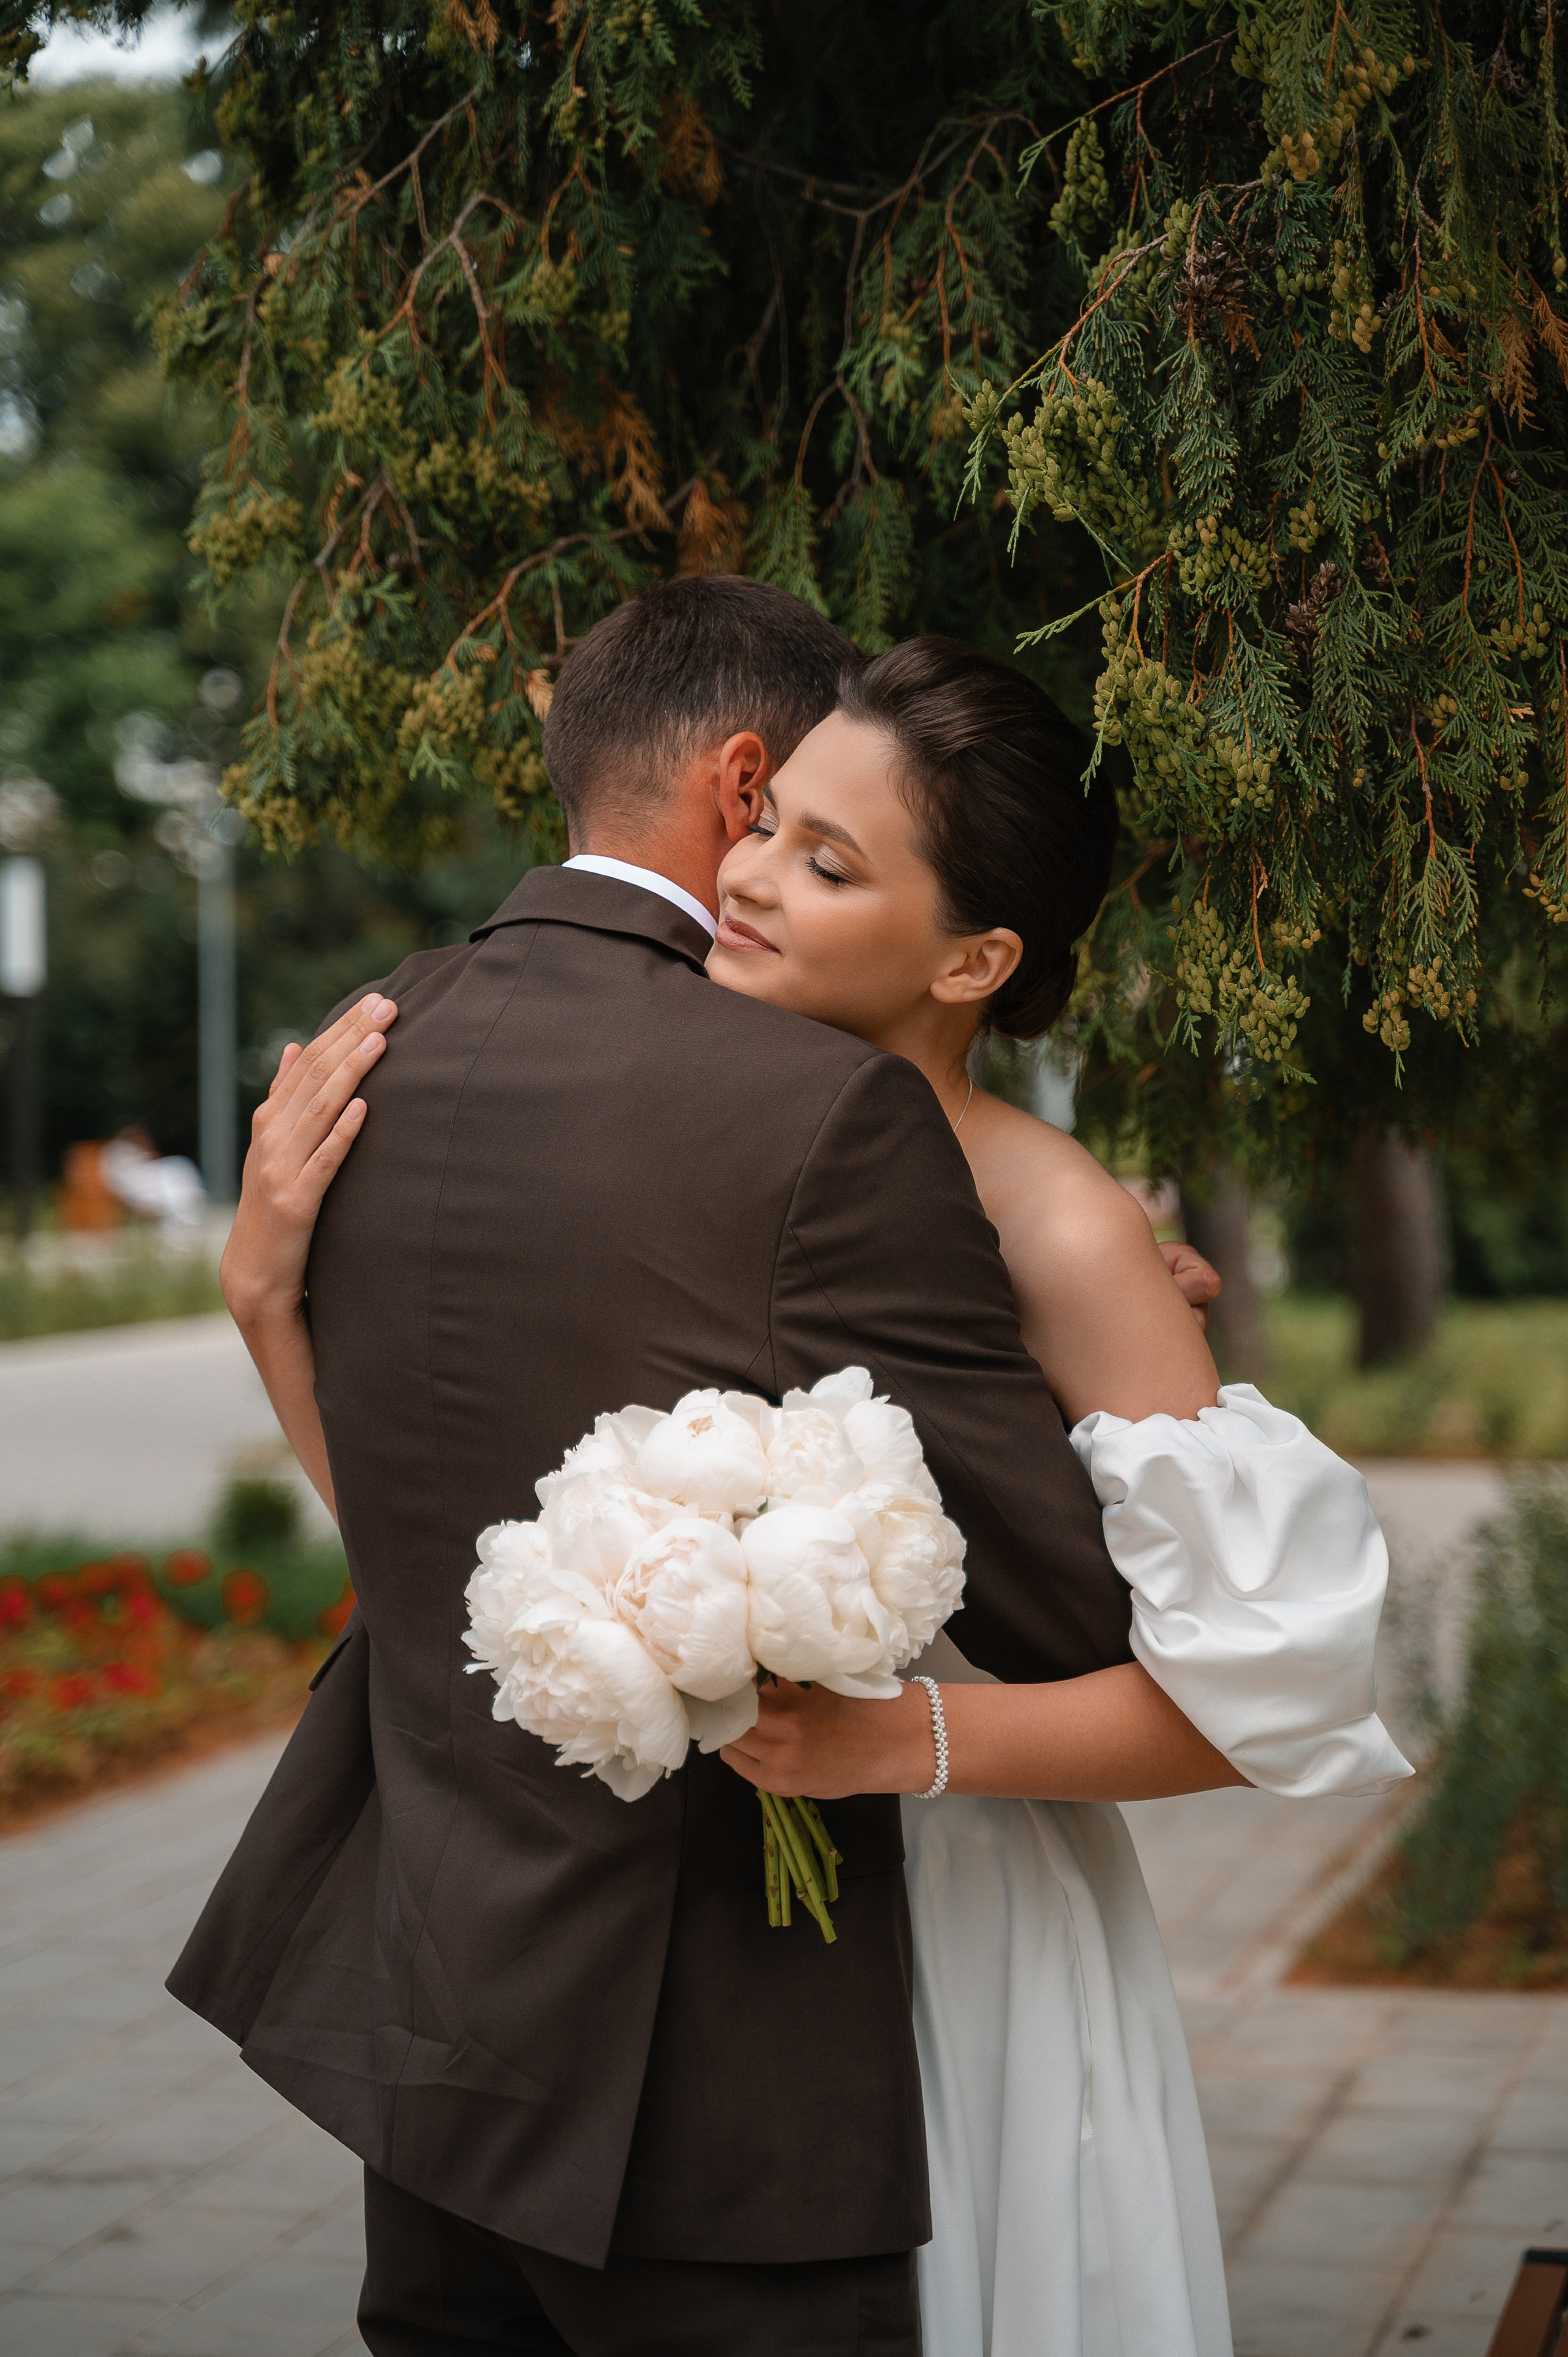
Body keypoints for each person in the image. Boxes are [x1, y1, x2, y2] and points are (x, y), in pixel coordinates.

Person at [176, 584, 1407, 2356]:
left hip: (939, 1910)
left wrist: (888, 1740)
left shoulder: (1045, 1217)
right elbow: (467, 1561)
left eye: (828, 864)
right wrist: (264, 1304)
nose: (745, 879)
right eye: (765, 828)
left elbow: (1250, 1692)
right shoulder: (743, 1135)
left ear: (972, 957)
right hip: (720, 1986)